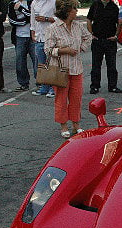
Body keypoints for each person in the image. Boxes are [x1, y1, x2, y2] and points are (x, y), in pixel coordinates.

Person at [45, 0, 91, 137]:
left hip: (76, 68)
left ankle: (76, 124)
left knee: (76, 98)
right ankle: (63, 125)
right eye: (74, 9)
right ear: (66, 12)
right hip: (60, 70)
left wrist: (81, 48)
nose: (76, 12)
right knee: (61, 98)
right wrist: (64, 50)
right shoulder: (53, 28)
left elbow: (88, 37)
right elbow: (47, 49)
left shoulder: (78, 26)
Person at [87, 0, 122, 95]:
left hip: (110, 41)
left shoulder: (114, 7)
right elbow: (89, 20)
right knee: (96, 65)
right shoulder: (95, 5)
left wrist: (116, 35)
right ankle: (94, 86)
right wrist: (91, 34)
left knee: (112, 65)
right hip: (97, 40)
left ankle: (112, 86)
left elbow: (119, 22)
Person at [8, 0, 37, 92]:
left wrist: (21, 9)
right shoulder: (12, 4)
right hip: (19, 36)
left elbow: (33, 17)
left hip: (32, 36)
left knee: (36, 60)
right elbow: (12, 21)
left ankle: (40, 82)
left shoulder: (31, 2)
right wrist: (24, 21)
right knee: (20, 61)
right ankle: (23, 83)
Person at [30, 0, 56, 97]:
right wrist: (33, 32)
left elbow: (60, 19)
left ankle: (53, 87)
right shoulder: (34, 3)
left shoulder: (54, 2)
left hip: (50, 37)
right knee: (42, 64)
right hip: (39, 37)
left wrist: (47, 19)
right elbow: (32, 19)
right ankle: (44, 86)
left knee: (52, 63)